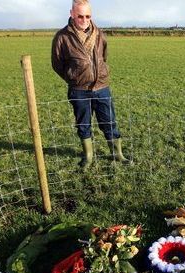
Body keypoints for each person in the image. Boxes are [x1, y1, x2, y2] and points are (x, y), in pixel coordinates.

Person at [51, 0, 130, 168]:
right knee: (83, 124)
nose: (84, 20)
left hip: (102, 88)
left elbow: (104, 56)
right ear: (72, 14)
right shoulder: (62, 37)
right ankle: (88, 157)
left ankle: (117, 154)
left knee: (109, 122)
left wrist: (100, 73)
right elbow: (57, 64)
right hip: (78, 90)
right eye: (80, 16)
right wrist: (73, 77)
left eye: (88, 16)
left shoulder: (99, 34)